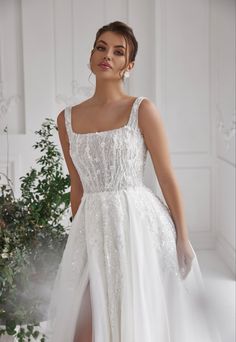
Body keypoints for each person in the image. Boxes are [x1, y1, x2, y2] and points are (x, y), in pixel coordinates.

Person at [45, 21, 222, 342]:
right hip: (92, 225)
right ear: (91, 54)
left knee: (138, 318)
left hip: (138, 225)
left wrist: (183, 237)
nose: (107, 56)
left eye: (118, 51)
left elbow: (166, 176)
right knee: (83, 328)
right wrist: (77, 237)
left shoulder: (142, 110)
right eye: (101, 47)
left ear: (129, 65)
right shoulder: (66, 119)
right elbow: (78, 185)